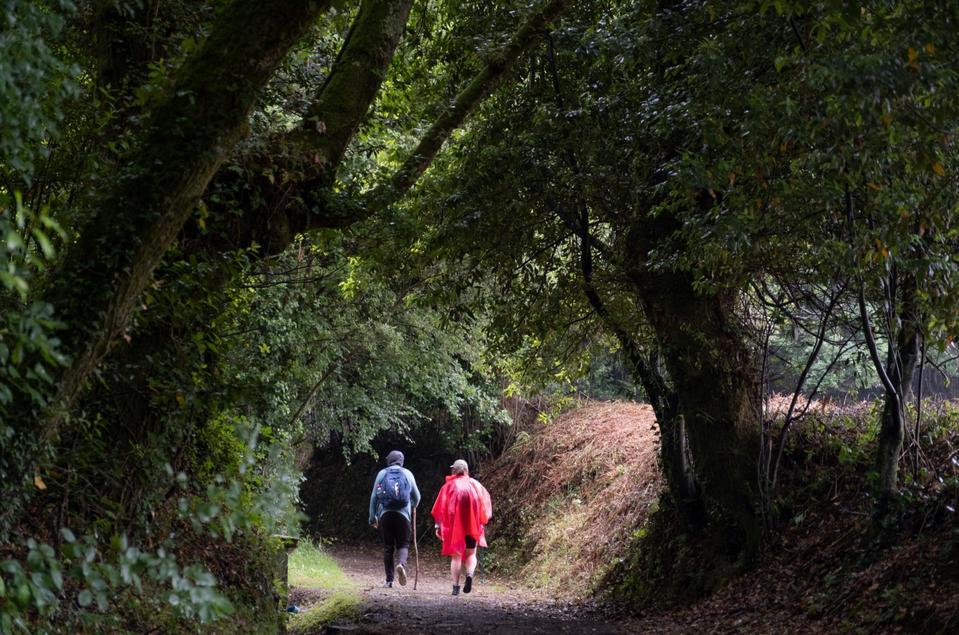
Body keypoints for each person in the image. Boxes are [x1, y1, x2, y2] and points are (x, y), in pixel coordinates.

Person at [431, 459, 492, 596]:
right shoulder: (476, 485)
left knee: (456, 557)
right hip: (472, 527)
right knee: (471, 554)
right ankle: (469, 575)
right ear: (466, 470)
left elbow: (440, 508)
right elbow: (485, 506)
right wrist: (481, 521)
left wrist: (438, 526)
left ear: (454, 471)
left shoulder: (448, 486)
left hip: (454, 528)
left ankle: (455, 587)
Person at [369, 450, 420, 588]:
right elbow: (417, 497)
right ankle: (401, 564)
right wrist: (412, 505)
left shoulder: (382, 473)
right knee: (403, 544)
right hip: (403, 515)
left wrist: (372, 517)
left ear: (389, 460)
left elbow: (374, 496)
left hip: (385, 514)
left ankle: (389, 580)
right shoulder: (408, 474)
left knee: (388, 547)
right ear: (401, 461)